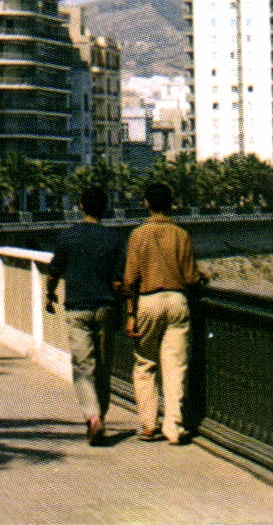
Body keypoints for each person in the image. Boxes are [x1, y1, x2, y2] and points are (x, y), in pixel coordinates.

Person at [122, 181, 204, 444]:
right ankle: (174, 426)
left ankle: (148, 425)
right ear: (171, 204)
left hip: (148, 301)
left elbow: (130, 280)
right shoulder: (181, 235)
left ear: (146, 204)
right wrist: (203, 276)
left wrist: (131, 313)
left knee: (145, 363)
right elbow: (191, 278)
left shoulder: (137, 235)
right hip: (178, 301)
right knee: (175, 366)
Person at [45, 186, 126, 445]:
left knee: (83, 365)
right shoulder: (114, 239)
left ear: (81, 206)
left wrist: (49, 294)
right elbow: (118, 280)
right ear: (104, 208)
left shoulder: (68, 237)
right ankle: (99, 416)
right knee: (103, 367)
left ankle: (92, 418)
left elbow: (54, 270)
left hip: (77, 308)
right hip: (105, 307)